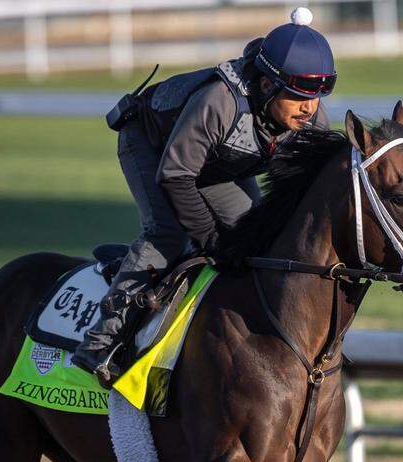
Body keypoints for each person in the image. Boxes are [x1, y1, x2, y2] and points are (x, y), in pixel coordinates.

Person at [73, 7, 336, 385]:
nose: (309, 108)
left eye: (317, 96)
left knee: (260, 239)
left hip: (216, 165)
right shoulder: (219, 101)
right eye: (297, 96)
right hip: (152, 146)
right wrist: (211, 239)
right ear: (267, 86)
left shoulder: (308, 117)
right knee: (168, 233)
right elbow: (175, 175)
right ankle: (103, 338)